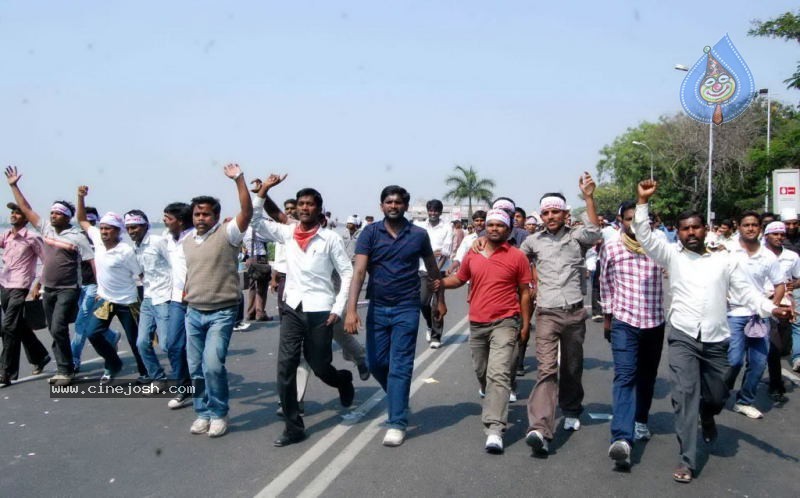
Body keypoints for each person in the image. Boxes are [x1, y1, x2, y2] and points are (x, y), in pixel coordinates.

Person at [634, 179, 791, 483]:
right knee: (684, 395)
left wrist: (772, 308)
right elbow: (645, 235)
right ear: (678, 233)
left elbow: (746, 293)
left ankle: (709, 415)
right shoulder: (671, 255)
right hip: (683, 336)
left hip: (717, 339)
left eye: (695, 227)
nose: (690, 233)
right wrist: (642, 203)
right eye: (684, 229)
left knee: (717, 395)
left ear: (705, 228)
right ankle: (687, 459)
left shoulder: (725, 260)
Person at [250, 174, 355, 448]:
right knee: (285, 367)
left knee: (320, 366)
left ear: (319, 209)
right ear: (296, 208)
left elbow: (347, 272)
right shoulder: (287, 233)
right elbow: (255, 221)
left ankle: (342, 379)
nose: (305, 208)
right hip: (292, 308)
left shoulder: (330, 238)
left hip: (321, 309)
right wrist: (263, 191)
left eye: (310, 204)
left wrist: (338, 307)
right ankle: (293, 426)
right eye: (301, 204)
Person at [345, 185, 446, 447]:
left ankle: (397, 422)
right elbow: (359, 271)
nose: (393, 206)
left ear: (405, 206)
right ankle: (398, 399)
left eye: (398, 202)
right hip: (378, 307)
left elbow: (434, 270)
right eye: (388, 202)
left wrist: (440, 301)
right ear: (381, 206)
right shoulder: (370, 233)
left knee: (400, 365)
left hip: (406, 308)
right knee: (376, 362)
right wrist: (352, 309)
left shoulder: (419, 235)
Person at [520, 172, 601, 456]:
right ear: (541, 216)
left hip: (575, 313)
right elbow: (515, 260)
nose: (551, 216)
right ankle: (539, 429)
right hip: (546, 314)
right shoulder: (532, 242)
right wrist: (483, 244)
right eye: (546, 212)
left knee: (571, 366)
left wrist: (588, 197)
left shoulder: (577, 236)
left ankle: (571, 408)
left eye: (556, 211)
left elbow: (596, 233)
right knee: (546, 369)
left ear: (565, 213)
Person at [439, 209, 531, 454]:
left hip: (506, 322)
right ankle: (489, 393)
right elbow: (460, 279)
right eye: (489, 225)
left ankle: (494, 429)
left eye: (499, 225)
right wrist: (440, 283)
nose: (493, 229)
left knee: (498, 373)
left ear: (508, 230)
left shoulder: (518, 257)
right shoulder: (474, 253)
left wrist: (525, 324)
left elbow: (525, 292)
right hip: (477, 323)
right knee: (482, 371)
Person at [5, 166, 94, 386]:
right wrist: (14, 185)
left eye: (57, 214)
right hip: (49, 288)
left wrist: (99, 287)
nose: (52, 216)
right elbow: (25, 208)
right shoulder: (45, 229)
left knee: (57, 327)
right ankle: (65, 366)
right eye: (52, 213)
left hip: (68, 289)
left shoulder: (77, 237)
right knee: (56, 329)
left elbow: (92, 262)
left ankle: (65, 370)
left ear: (66, 217)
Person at [184, 164, 252, 438]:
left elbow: (247, 212)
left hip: (221, 312)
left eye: (206, 214)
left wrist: (239, 179)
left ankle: (219, 413)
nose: (201, 218)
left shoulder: (228, 234)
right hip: (193, 312)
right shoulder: (187, 240)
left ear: (216, 216)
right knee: (195, 369)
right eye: (197, 214)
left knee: (212, 365)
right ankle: (202, 412)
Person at [600, 201, 665, 470]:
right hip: (624, 321)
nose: (634, 225)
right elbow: (604, 282)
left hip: (654, 321)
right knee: (625, 375)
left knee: (647, 376)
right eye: (629, 220)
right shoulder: (612, 246)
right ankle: (622, 439)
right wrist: (607, 318)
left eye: (639, 220)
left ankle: (640, 421)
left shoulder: (659, 247)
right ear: (621, 221)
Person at [76, 189, 147, 382]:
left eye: (109, 229)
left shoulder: (125, 251)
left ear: (118, 231)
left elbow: (141, 275)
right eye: (103, 228)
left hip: (128, 302)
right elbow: (81, 219)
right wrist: (81, 197)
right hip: (105, 300)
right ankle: (114, 363)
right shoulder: (98, 240)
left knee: (135, 342)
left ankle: (145, 373)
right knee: (92, 333)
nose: (105, 232)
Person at [722, 212, 785, 420]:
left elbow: (779, 285)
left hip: (759, 316)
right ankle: (719, 393)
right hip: (733, 313)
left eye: (754, 225)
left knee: (758, 362)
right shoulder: (728, 251)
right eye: (746, 225)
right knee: (734, 361)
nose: (750, 228)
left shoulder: (768, 256)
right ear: (738, 226)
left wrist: (771, 308)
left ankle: (744, 401)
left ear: (760, 229)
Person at [0, 203, 50, 387]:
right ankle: (40, 356)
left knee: (8, 327)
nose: (13, 215)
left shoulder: (32, 238)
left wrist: (38, 284)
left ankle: (5, 372)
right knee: (16, 324)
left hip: (20, 286)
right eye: (12, 212)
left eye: (18, 213)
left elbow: (47, 262)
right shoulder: (6, 236)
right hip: (4, 283)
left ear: (26, 219)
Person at [125, 209, 174, 391]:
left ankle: (187, 376)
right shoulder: (135, 247)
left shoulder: (158, 242)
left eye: (135, 227)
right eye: (128, 228)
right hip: (147, 297)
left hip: (164, 298)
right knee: (142, 343)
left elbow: (175, 264)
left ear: (145, 226)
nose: (131, 231)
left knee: (167, 344)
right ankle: (158, 378)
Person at [71, 206, 120, 373]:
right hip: (79, 284)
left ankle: (73, 359)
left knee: (81, 322)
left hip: (95, 286)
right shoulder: (76, 238)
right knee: (89, 322)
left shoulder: (101, 240)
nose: (89, 224)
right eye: (87, 221)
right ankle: (111, 336)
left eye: (93, 221)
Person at [762, 221, 799, 403]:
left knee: (783, 347)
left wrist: (793, 285)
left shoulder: (792, 256)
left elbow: (798, 277)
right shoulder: (758, 254)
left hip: (784, 304)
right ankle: (776, 385)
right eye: (775, 234)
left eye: (782, 234)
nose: (779, 237)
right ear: (766, 235)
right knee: (774, 347)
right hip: (763, 302)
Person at [162, 201, 194, 409]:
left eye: (168, 218)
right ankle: (184, 388)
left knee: (197, 350)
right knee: (172, 344)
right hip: (176, 300)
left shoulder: (194, 238)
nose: (164, 222)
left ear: (180, 221)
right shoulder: (167, 239)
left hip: (197, 300)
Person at [414, 199, 452, 349]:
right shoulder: (421, 227)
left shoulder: (447, 228)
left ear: (440, 212)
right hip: (422, 269)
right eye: (430, 210)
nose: (433, 213)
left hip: (440, 271)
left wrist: (435, 270)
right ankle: (430, 325)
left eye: (436, 211)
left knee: (437, 303)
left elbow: (445, 253)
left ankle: (436, 336)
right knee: (423, 302)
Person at [780, 208, 800, 371]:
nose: (791, 227)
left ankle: (797, 357)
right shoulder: (776, 239)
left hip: (796, 286)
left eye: (794, 223)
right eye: (788, 223)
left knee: (797, 323)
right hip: (776, 288)